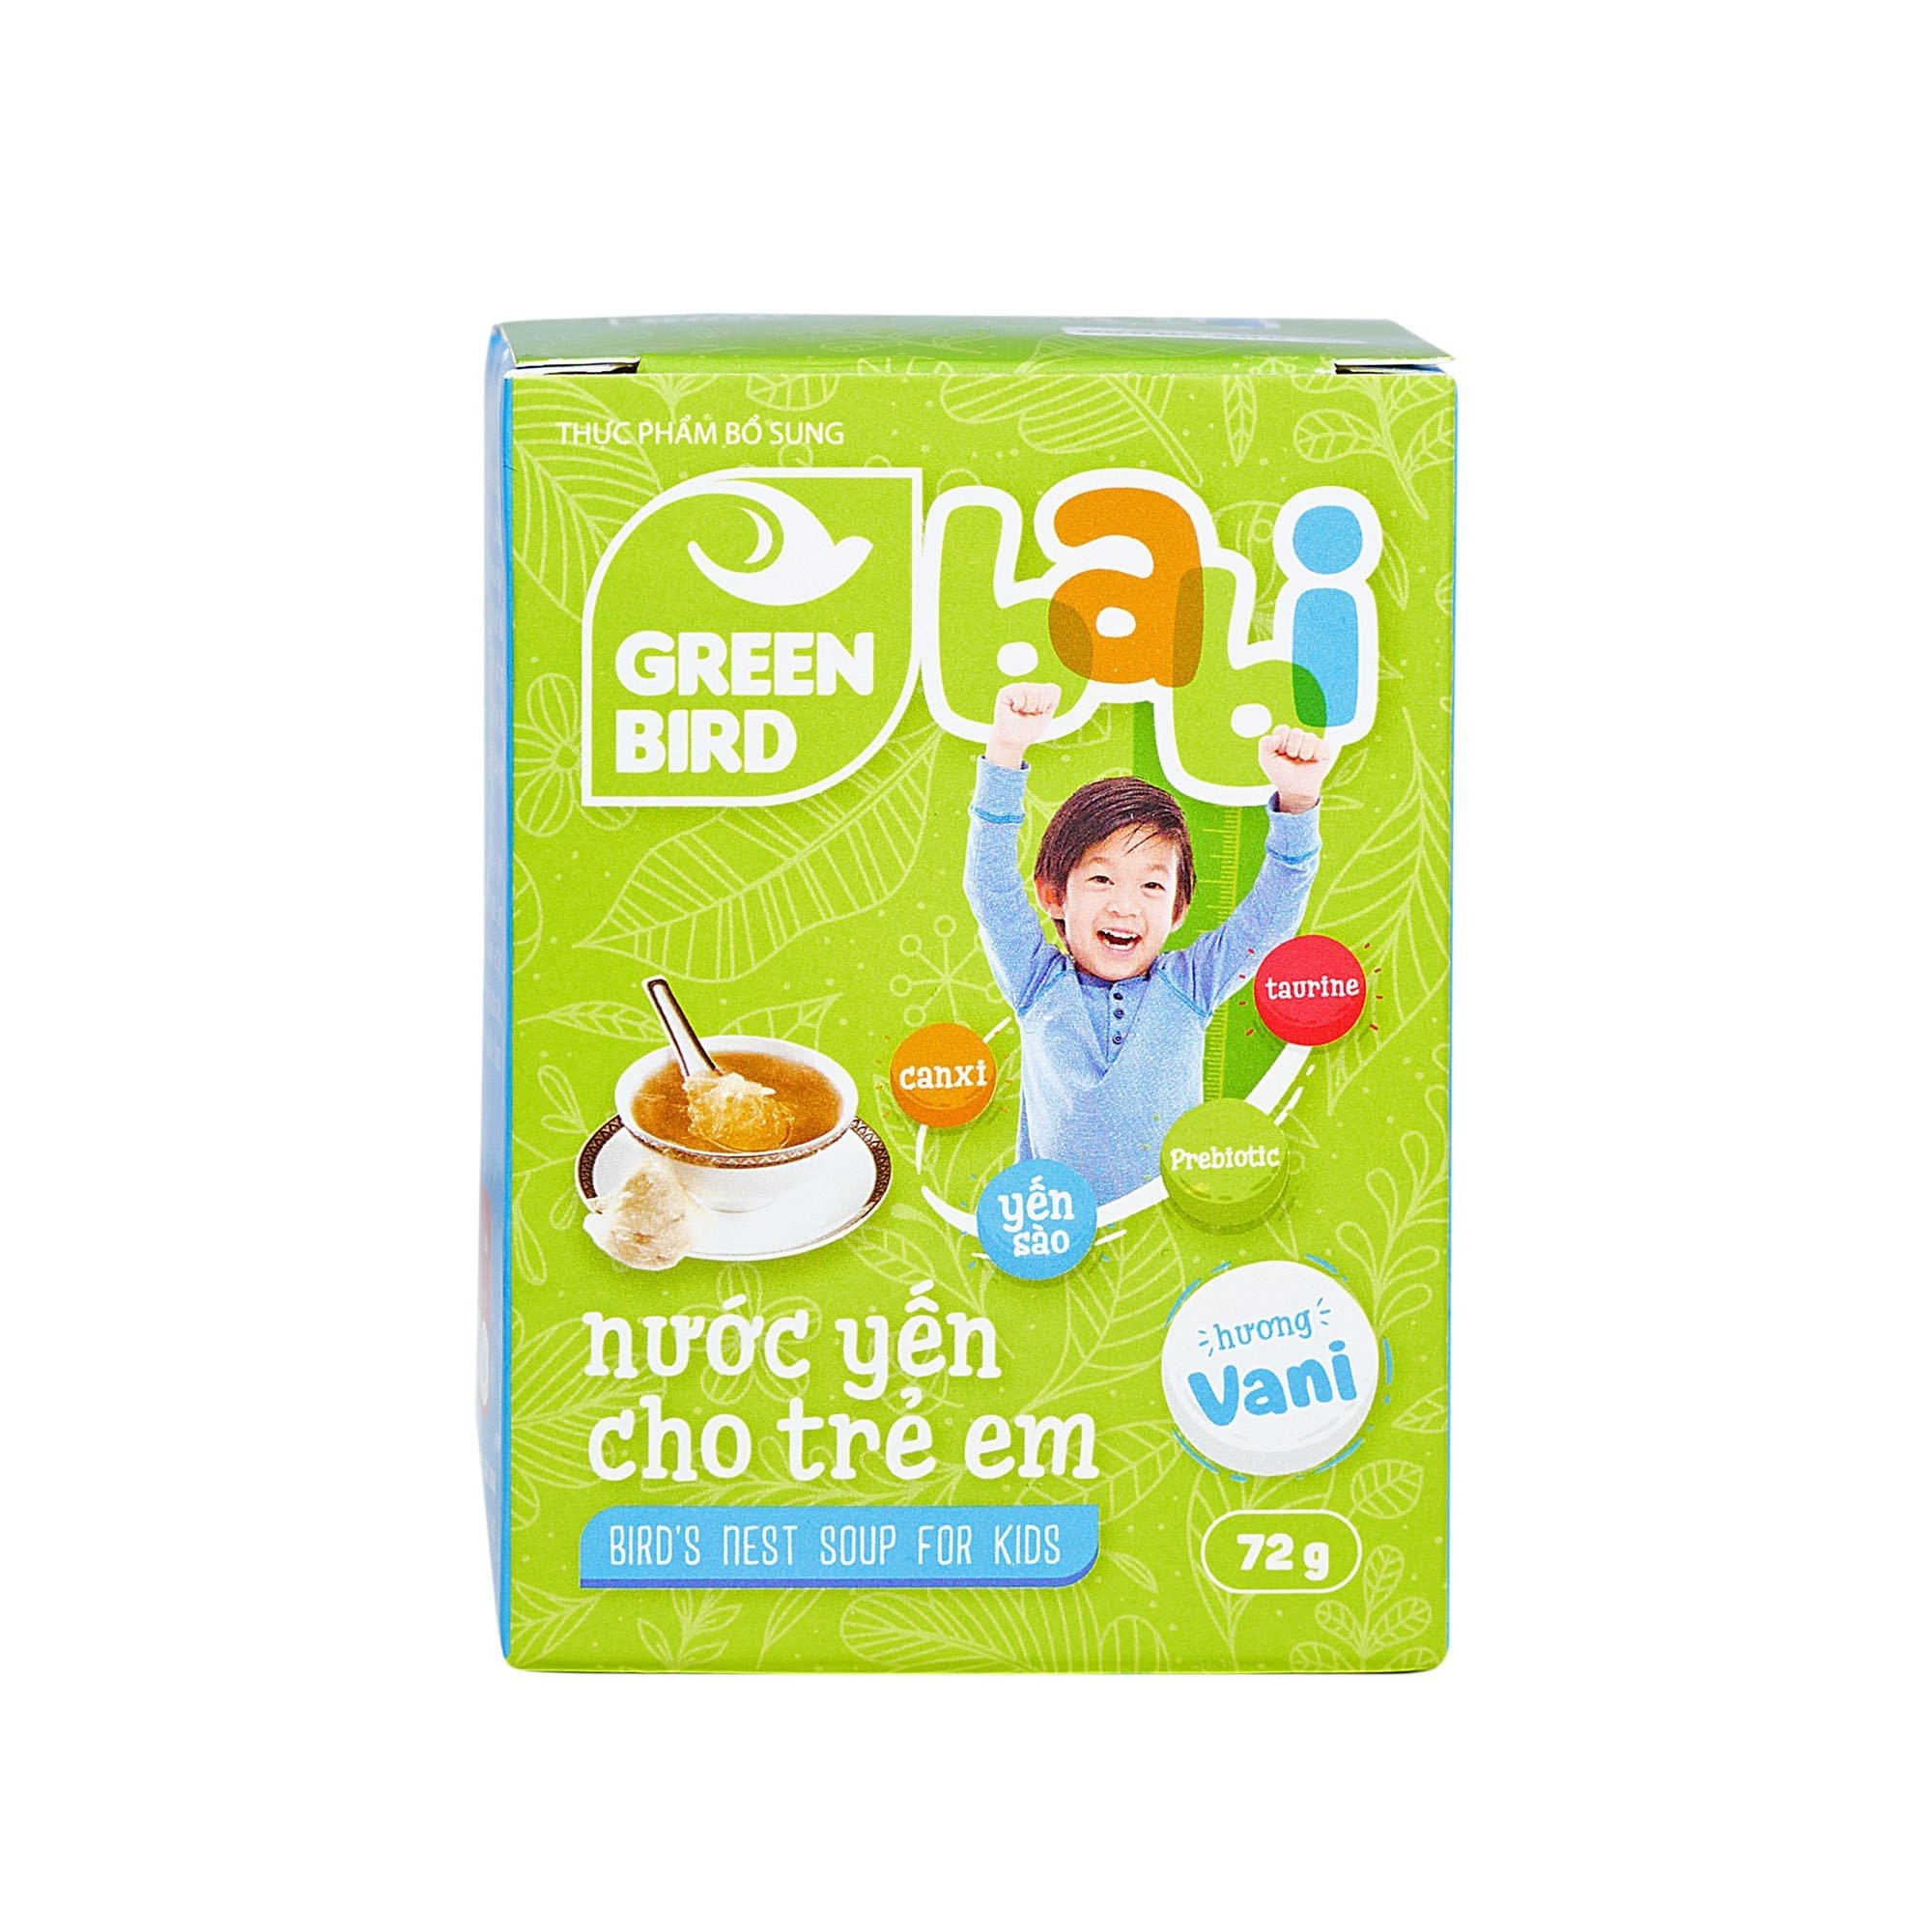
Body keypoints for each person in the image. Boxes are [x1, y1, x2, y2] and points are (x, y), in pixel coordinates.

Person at [964, 683, 1333, 1202]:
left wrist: (1296, 803)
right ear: (1054, 895)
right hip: (1059, 1228)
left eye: (1152, 886)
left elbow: (1267, 924)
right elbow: (990, 886)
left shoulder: (1192, 985)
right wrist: (1006, 749)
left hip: (1171, 1228)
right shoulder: (1036, 983)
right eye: (1101, 879)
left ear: (1178, 910)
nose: (1125, 905)